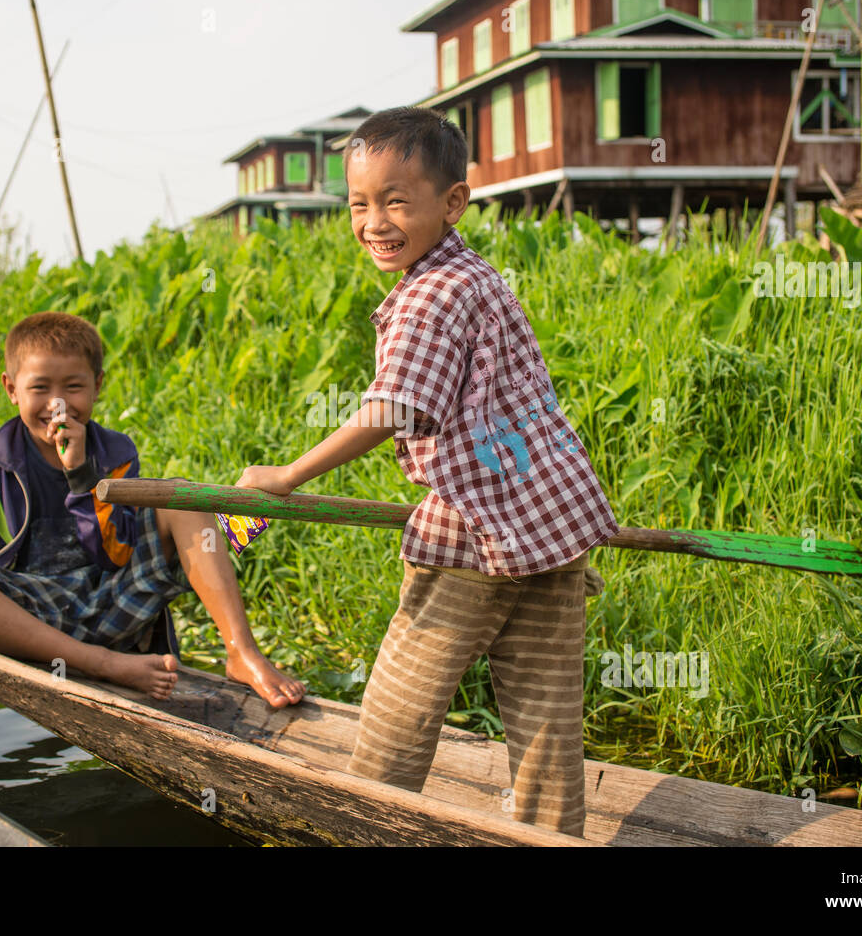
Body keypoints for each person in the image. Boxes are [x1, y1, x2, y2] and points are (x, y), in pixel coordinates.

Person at [235, 107, 617, 836]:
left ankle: (363, 827)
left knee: (397, 713)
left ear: (452, 203)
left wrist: (288, 474)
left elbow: (397, 407)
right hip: (555, 526)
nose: (374, 221)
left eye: (395, 201)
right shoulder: (477, 276)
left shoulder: (427, 295)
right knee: (546, 730)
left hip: (475, 531)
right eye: (359, 204)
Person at [0, 311, 305, 708]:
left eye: (73, 387)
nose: (57, 404)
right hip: (30, 615)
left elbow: (114, 554)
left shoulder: (116, 453)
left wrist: (81, 477)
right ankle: (105, 665)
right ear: (12, 389)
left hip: (112, 602)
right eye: (40, 388)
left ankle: (241, 651)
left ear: (97, 386)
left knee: (184, 499)